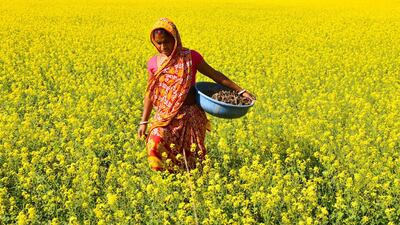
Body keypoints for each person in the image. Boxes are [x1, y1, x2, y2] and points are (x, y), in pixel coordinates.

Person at [138, 18, 256, 172]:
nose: (163, 47)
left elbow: (216, 76)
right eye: (158, 43)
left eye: (166, 42)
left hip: (190, 116)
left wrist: (241, 91)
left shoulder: (190, 57)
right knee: (155, 143)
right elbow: (150, 92)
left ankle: (191, 189)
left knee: (192, 159)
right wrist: (144, 121)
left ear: (175, 38)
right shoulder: (153, 63)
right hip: (165, 117)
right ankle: (168, 183)